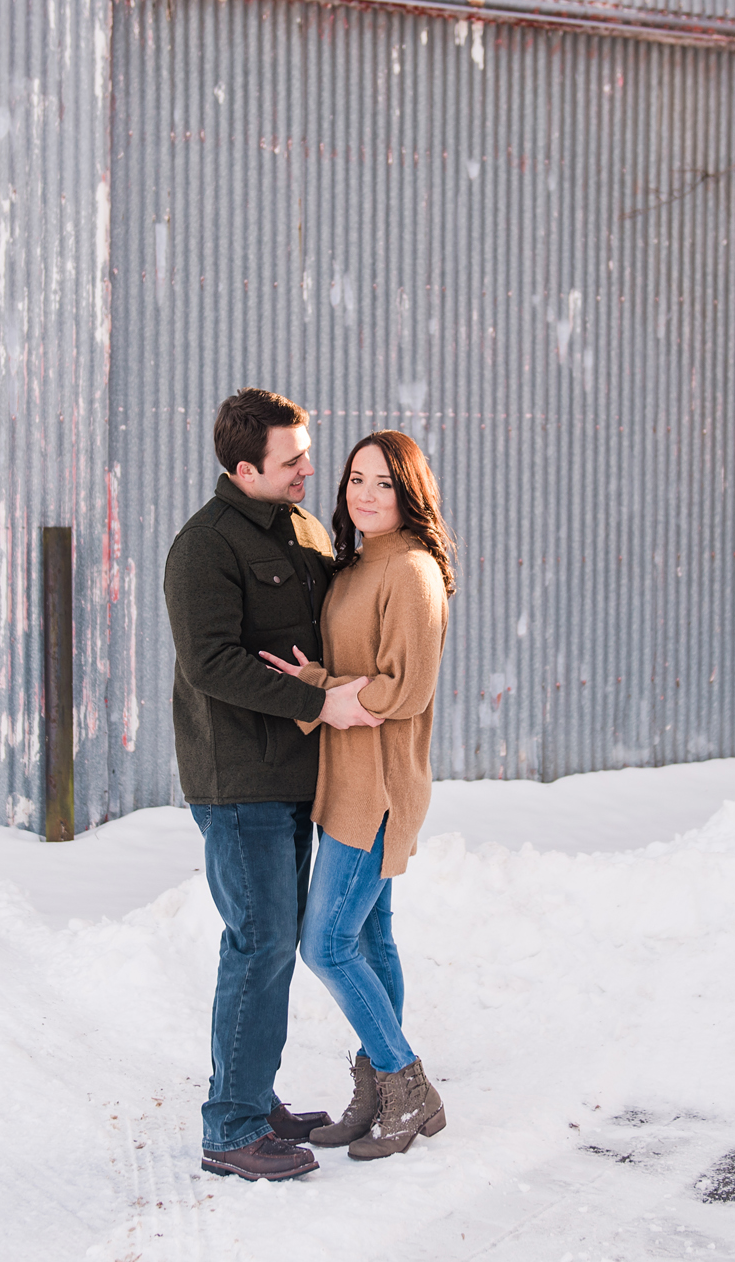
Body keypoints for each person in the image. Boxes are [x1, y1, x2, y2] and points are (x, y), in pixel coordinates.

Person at [163, 387, 386, 1183]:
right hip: (238, 780)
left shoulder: (300, 527)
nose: (308, 469)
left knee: (275, 943)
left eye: (305, 453)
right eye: (292, 460)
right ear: (244, 467)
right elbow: (210, 663)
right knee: (258, 944)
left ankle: (251, 1097)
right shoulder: (204, 547)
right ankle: (231, 1127)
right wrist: (319, 701)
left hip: (296, 775)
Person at [258, 429, 455, 1160]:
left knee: (326, 943)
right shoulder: (357, 565)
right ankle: (376, 1094)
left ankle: (407, 1085)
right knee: (370, 938)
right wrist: (328, 686)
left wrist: (311, 685)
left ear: (410, 493)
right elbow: (359, 679)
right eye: (355, 479)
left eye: (382, 482)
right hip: (345, 777)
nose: (365, 494)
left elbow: (405, 690)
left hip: (380, 785)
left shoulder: (410, 570)